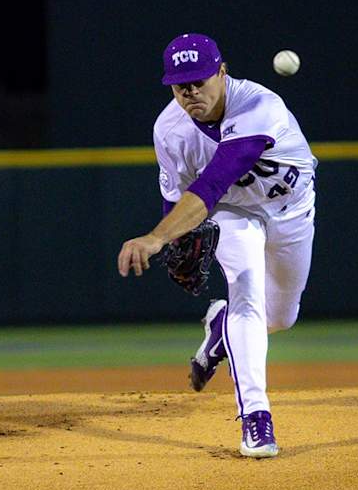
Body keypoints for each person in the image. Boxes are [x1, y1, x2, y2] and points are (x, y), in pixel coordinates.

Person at [117, 33, 317, 458]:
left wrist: (156, 237)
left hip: (291, 209)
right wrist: (177, 239)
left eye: (199, 81)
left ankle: (220, 328)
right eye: (180, 86)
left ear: (222, 73)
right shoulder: (169, 130)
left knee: (281, 317)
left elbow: (213, 181)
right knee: (247, 295)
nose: (190, 92)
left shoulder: (259, 105)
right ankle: (256, 419)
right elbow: (177, 198)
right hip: (232, 212)